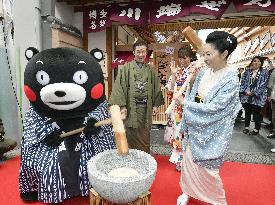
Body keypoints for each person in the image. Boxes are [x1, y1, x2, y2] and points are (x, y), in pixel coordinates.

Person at [175, 31, 241, 205]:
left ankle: (218, 200)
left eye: (209, 54)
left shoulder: (231, 79)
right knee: (188, 163)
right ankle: (187, 190)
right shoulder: (204, 72)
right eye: (203, 54)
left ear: (224, 54)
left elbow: (216, 108)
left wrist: (186, 105)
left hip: (213, 130)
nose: (204, 58)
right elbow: (192, 95)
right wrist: (191, 84)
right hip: (195, 125)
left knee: (208, 169)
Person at [109, 39, 164, 153]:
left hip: (145, 108)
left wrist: (155, 106)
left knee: (145, 135)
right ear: (133, 52)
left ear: (146, 53)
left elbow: (156, 87)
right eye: (138, 52)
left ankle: (144, 157)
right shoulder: (125, 69)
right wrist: (122, 106)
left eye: (143, 52)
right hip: (130, 108)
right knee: (130, 133)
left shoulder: (150, 70)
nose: (141, 54)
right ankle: (131, 158)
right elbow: (119, 87)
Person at [164, 45, 197, 171]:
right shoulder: (178, 71)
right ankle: (180, 161)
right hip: (177, 108)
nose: (182, 61)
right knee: (178, 133)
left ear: (190, 57)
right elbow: (171, 89)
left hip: (189, 106)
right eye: (180, 58)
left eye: (185, 58)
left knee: (188, 133)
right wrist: (173, 74)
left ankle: (190, 161)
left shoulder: (195, 69)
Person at [240, 56, 268, 135]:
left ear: (261, 63)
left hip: (257, 97)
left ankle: (256, 129)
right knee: (247, 111)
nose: (256, 63)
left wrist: (254, 92)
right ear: (252, 62)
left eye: (259, 61)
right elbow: (243, 82)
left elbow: (264, 84)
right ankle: (246, 127)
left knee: (257, 113)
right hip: (247, 96)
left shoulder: (264, 72)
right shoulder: (247, 72)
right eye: (255, 61)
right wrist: (245, 91)